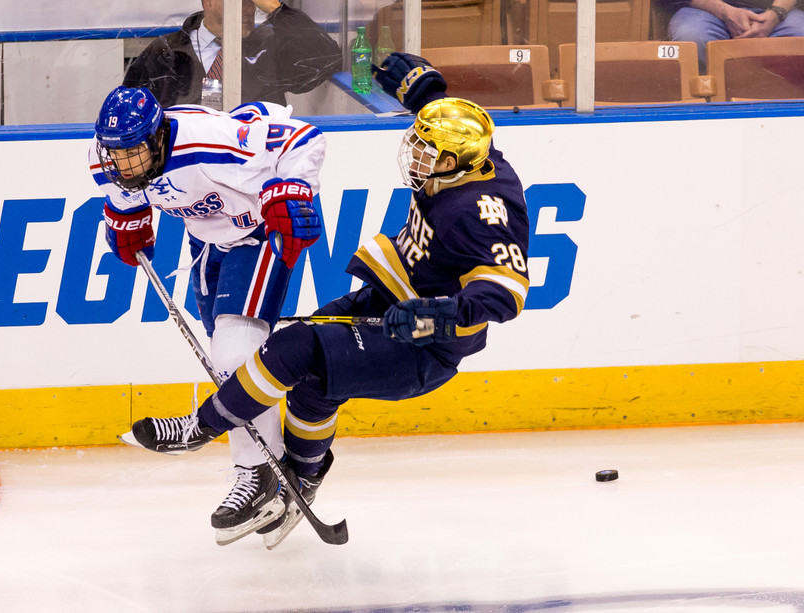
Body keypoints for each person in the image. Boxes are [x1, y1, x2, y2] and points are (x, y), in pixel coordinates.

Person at [121, 52, 531, 549]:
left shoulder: (481, 211)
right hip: (392, 300)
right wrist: (427, 97)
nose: (415, 153)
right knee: (315, 373)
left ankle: (200, 427)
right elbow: (462, 127)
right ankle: (302, 479)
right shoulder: (472, 159)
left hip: (425, 343)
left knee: (297, 347)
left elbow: (507, 292)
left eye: (426, 150)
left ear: (451, 164)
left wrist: (437, 314)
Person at [89, 86, 326, 545]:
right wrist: (128, 217)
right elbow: (123, 194)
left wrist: (291, 193)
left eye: (135, 152)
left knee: (234, 354)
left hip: (258, 232)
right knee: (231, 364)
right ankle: (276, 467)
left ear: (158, 138)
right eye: (116, 154)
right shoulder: (112, 161)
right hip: (208, 241)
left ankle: (256, 474)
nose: (125, 165)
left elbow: (304, 138)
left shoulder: (207, 144)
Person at [122, 0, 341, 110]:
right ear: (208, 2)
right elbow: (131, 110)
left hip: (255, 167)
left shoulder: (269, 46)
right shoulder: (165, 52)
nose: (249, 10)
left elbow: (327, 58)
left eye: (253, 2)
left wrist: (277, 10)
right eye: (242, 1)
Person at [664, 0, 804, 71]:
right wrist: (725, 12)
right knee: (691, 36)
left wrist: (775, 15)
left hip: (776, 12)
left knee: (800, 35)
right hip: (706, 10)